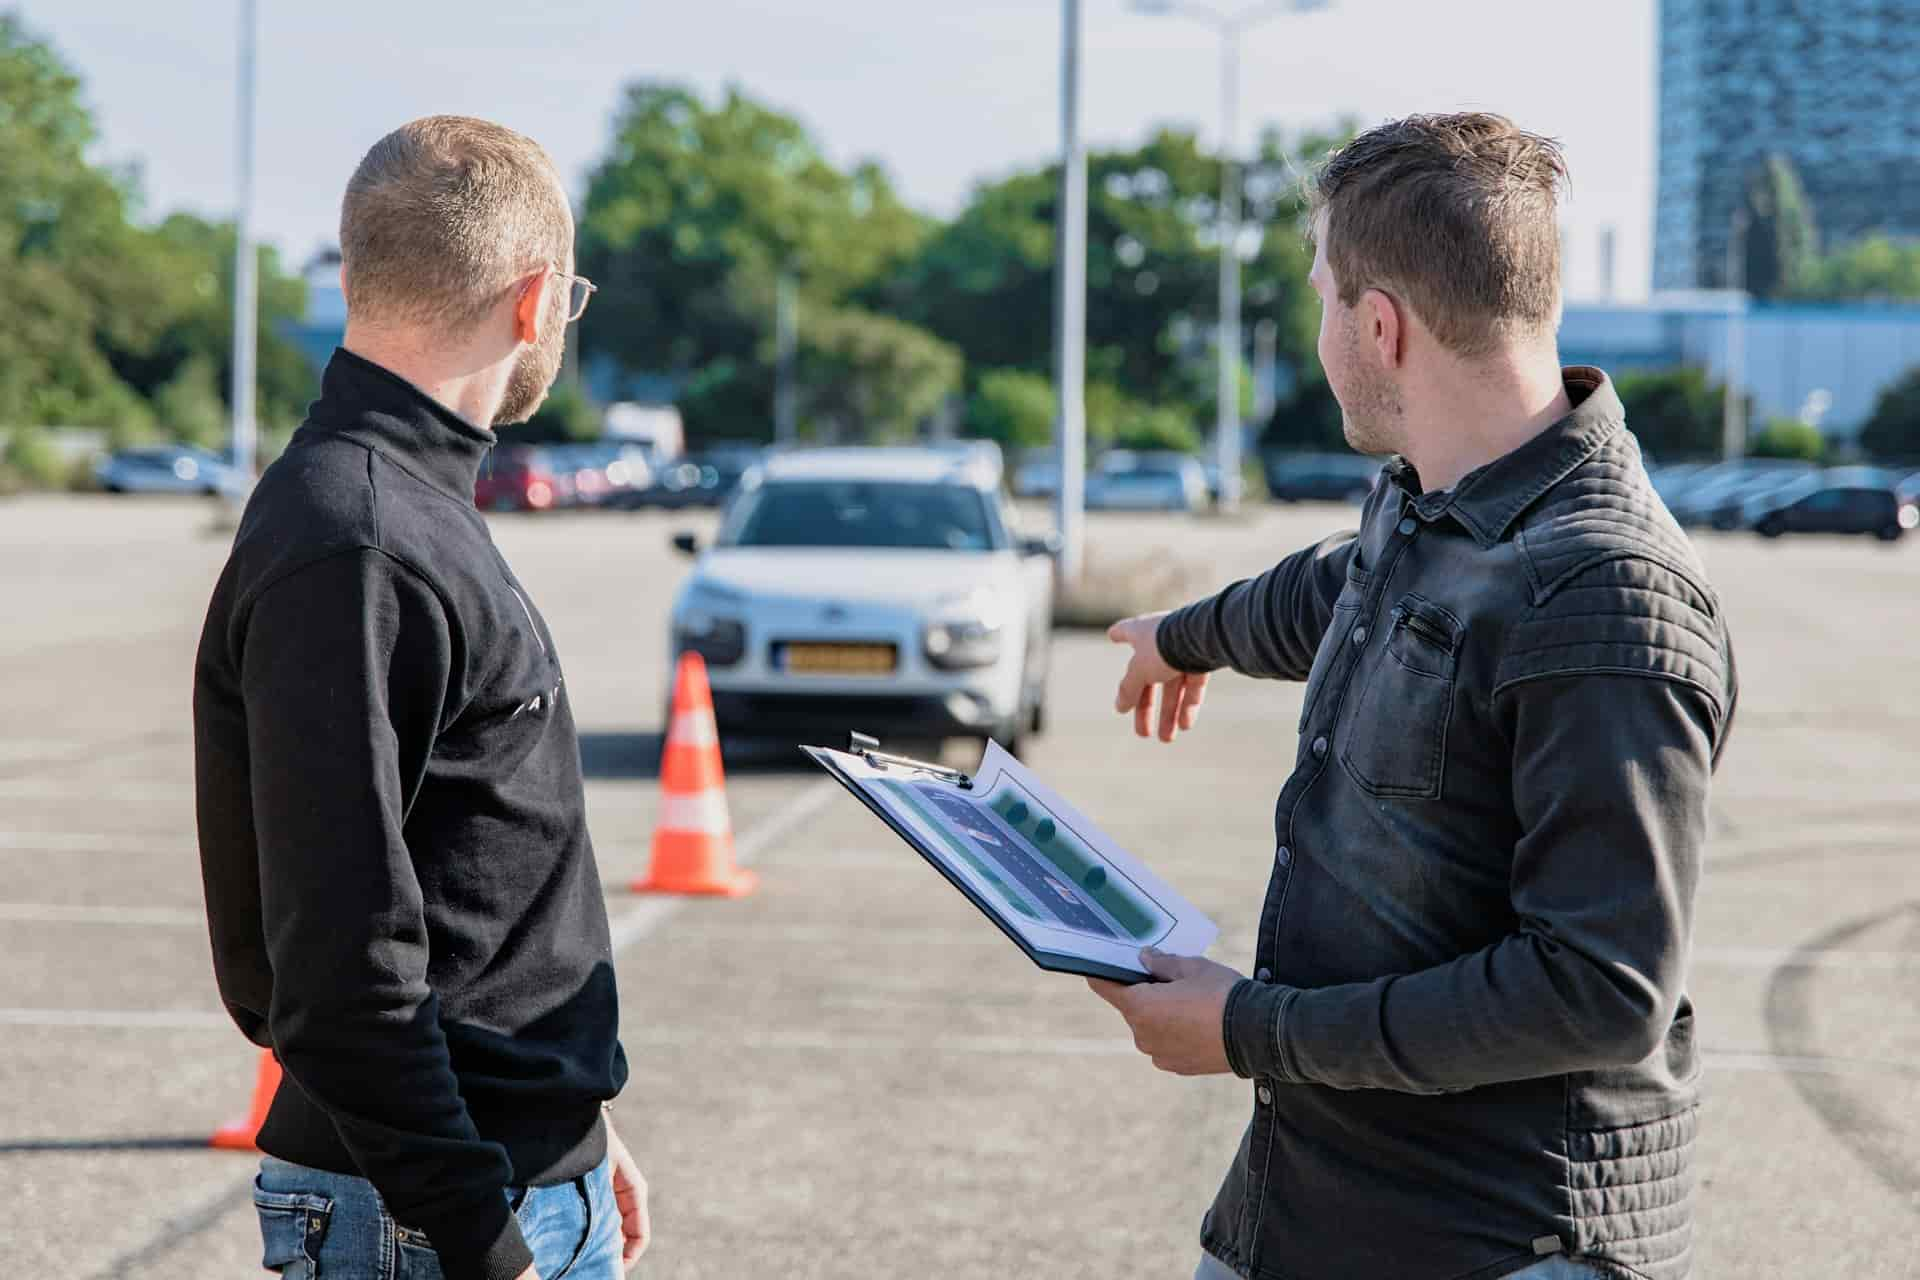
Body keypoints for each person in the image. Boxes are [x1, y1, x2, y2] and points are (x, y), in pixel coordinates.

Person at [1091, 113, 1736, 1280]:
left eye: (1323, 293)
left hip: (1497, 1240)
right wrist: (1187, 635)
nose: (1321, 325)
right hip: (1318, 1209)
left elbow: (1599, 988)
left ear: (1376, 324)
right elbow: (1340, 586)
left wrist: (1247, 1029)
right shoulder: (1437, 501)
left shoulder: (1606, 596)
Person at [194, 116, 645, 1280]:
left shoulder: (406, 508)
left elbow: (471, 881)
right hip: (422, 1220)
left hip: (514, 1176)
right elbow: (341, 968)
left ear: (354, 276)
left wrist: (580, 1134)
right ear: (538, 299)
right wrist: (484, 1239)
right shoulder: (360, 540)